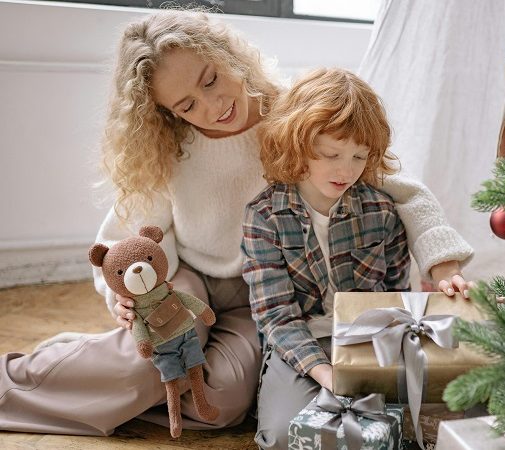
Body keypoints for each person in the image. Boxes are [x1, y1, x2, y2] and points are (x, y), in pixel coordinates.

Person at [0, 10, 473, 436]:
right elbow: (125, 240)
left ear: (228, 56)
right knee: (154, 362)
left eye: (210, 80)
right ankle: (17, 382)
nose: (211, 107)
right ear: (167, 113)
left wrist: (443, 265)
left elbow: (402, 187)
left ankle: (118, 386)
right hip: (190, 281)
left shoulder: (294, 113)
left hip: (262, 293)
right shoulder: (169, 151)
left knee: (222, 403)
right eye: (185, 105)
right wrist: (123, 295)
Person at [243, 68, 423, 449]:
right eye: (330, 154)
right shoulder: (263, 216)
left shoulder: (382, 211)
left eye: (360, 156)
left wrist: (377, 364)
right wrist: (325, 373)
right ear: (297, 143)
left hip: (367, 341)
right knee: (280, 436)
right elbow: (276, 316)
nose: (347, 170)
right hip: (299, 344)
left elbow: (395, 294)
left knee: (399, 425)